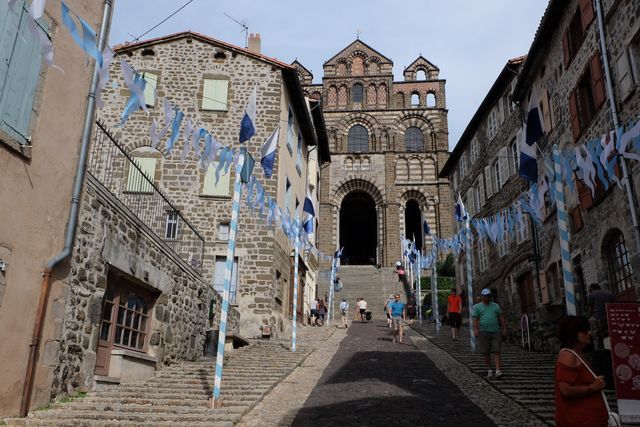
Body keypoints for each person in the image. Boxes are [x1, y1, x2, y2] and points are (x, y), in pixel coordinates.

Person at [555, 316, 608, 427]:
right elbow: (566, 390)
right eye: (584, 330)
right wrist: (592, 388)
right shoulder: (568, 356)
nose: (588, 333)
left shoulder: (579, 355)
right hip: (579, 420)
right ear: (573, 333)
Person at [473, 288, 507, 378]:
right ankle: (489, 370)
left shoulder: (495, 306)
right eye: (485, 296)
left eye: (488, 296)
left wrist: (504, 328)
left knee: (497, 350)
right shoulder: (477, 307)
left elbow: (501, 317)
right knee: (486, 352)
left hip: (495, 331)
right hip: (483, 331)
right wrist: (476, 330)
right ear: (482, 296)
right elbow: (475, 319)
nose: (487, 297)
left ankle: (498, 370)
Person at [586, 283, 614, 350]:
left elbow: (590, 310)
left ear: (591, 289)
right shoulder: (610, 294)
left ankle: (599, 353)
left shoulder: (591, 295)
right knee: (613, 336)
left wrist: (588, 320)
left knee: (596, 338)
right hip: (609, 318)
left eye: (589, 289)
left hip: (597, 319)